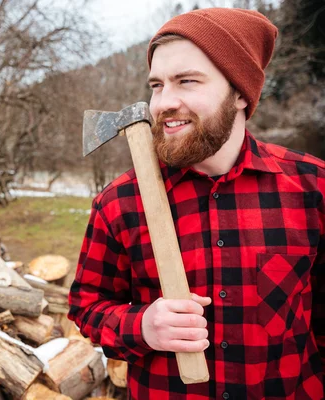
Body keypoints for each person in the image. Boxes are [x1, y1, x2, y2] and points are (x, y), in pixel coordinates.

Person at [68, 7, 325, 400]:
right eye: (156, 85)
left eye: (186, 81)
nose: (163, 103)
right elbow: (87, 307)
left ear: (240, 92)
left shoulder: (313, 188)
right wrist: (142, 326)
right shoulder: (119, 202)